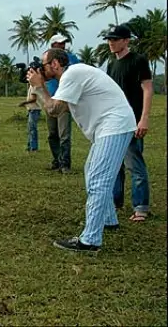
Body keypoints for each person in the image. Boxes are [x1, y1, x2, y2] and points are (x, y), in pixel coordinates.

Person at [27, 48, 136, 253]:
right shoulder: (72, 76)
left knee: (98, 180)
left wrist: (38, 86)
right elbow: (57, 107)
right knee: (92, 172)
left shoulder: (72, 74)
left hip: (114, 126)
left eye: (43, 65)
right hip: (111, 126)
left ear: (55, 64)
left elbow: (53, 109)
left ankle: (90, 241)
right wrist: (39, 87)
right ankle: (108, 219)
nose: (41, 69)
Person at [104, 24, 154, 223]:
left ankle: (141, 207)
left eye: (115, 39)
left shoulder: (138, 60)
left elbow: (147, 89)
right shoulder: (111, 65)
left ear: (126, 41)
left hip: (133, 121)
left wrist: (144, 118)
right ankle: (115, 202)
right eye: (109, 39)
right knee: (115, 165)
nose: (111, 43)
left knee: (135, 165)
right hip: (114, 121)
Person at [44, 34, 81, 174]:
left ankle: (65, 164)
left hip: (64, 100)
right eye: (59, 43)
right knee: (52, 133)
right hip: (51, 99)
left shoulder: (71, 58)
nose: (62, 46)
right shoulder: (46, 59)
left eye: (64, 43)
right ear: (53, 45)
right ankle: (56, 161)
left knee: (64, 134)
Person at [18, 84, 44, 151]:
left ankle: (34, 147)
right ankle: (30, 146)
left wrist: (24, 103)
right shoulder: (31, 86)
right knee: (30, 129)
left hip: (34, 109)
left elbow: (33, 99)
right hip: (32, 109)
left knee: (32, 129)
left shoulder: (34, 86)